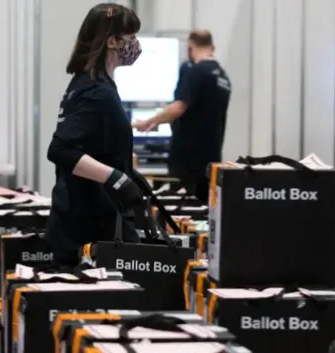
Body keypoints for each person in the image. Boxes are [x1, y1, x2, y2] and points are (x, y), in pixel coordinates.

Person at [45, 3, 145, 267]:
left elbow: (92, 145)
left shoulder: (85, 83)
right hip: (87, 230)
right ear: (113, 41)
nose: (135, 44)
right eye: (131, 37)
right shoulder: (96, 92)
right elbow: (61, 150)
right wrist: (117, 179)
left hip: (81, 220)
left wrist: (129, 174)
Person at [133, 30, 231, 201]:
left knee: (180, 212)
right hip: (210, 160)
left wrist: (149, 121)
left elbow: (179, 107)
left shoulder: (196, 71)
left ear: (190, 46)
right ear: (212, 46)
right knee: (200, 210)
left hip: (187, 161)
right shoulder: (223, 77)